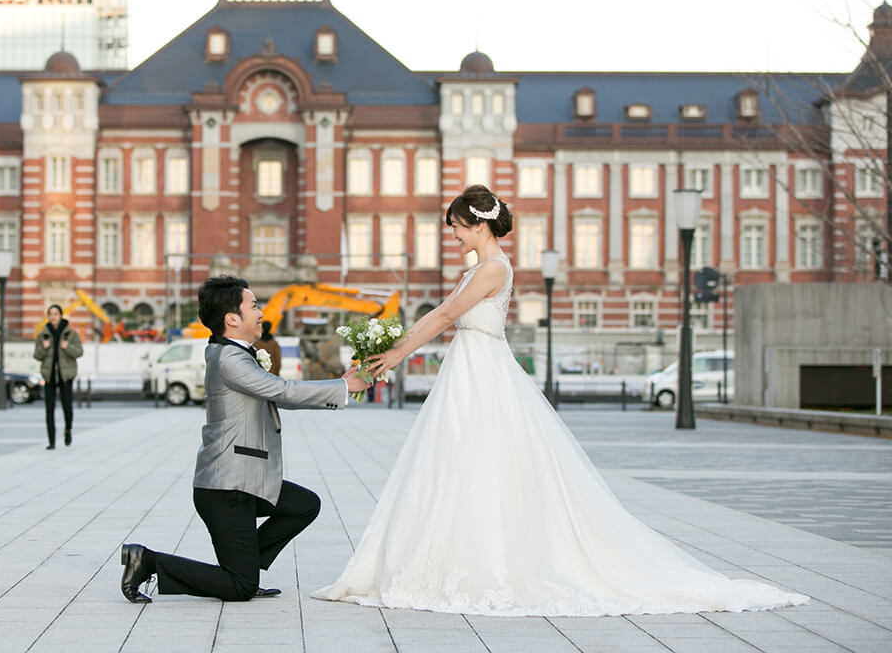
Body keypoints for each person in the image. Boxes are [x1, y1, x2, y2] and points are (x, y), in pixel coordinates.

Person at [313, 185, 809, 616]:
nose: (455, 236)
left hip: (483, 373)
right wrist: (391, 350)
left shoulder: (492, 269)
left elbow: (443, 317)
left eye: (459, 228)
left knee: (476, 460)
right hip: (466, 371)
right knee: (454, 462)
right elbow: (441, 316)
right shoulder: (477, 267)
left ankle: (479, 562)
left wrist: (395, 354)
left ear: (480, 227)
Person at [120, 275, 368, 603]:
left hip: (247, 480)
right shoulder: (228, 358)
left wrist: (338, 383)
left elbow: (275, 392)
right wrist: (343, 387)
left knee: (304, 506)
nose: (262, 313)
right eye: (254, 306)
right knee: (239, 588)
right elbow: (281, 390)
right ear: (232, 319)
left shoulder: (236, 354)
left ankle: (247, 564)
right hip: (227, 488)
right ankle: (147, 560)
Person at [33, 304, 84, 449]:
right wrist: (43, 347)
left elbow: (79, 352)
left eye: (56, 314)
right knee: (49, 410)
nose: (53, 317)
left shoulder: (72, 334)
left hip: (65, 376)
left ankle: (68, 430)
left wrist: (66, 347)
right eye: (51, 314)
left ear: (61, 316)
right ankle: (51, 441)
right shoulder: (43, 335)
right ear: (48, 316)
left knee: (67, 408)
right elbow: (36, 355)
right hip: (49, 376)